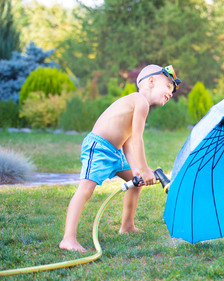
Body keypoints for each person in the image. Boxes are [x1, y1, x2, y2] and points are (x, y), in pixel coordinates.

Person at [59, 64, 181, 252]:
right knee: (86, 189)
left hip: (115, 151)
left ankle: (127, 226)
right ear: (151, 81)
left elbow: (129, 141)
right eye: (168, 87)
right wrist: (145, 168)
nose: (170, 93)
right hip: (99, 147)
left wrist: (138, 171)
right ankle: (68, 239)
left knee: (135, 182)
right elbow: (139, 138)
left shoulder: (140, 105)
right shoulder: (139, 101)